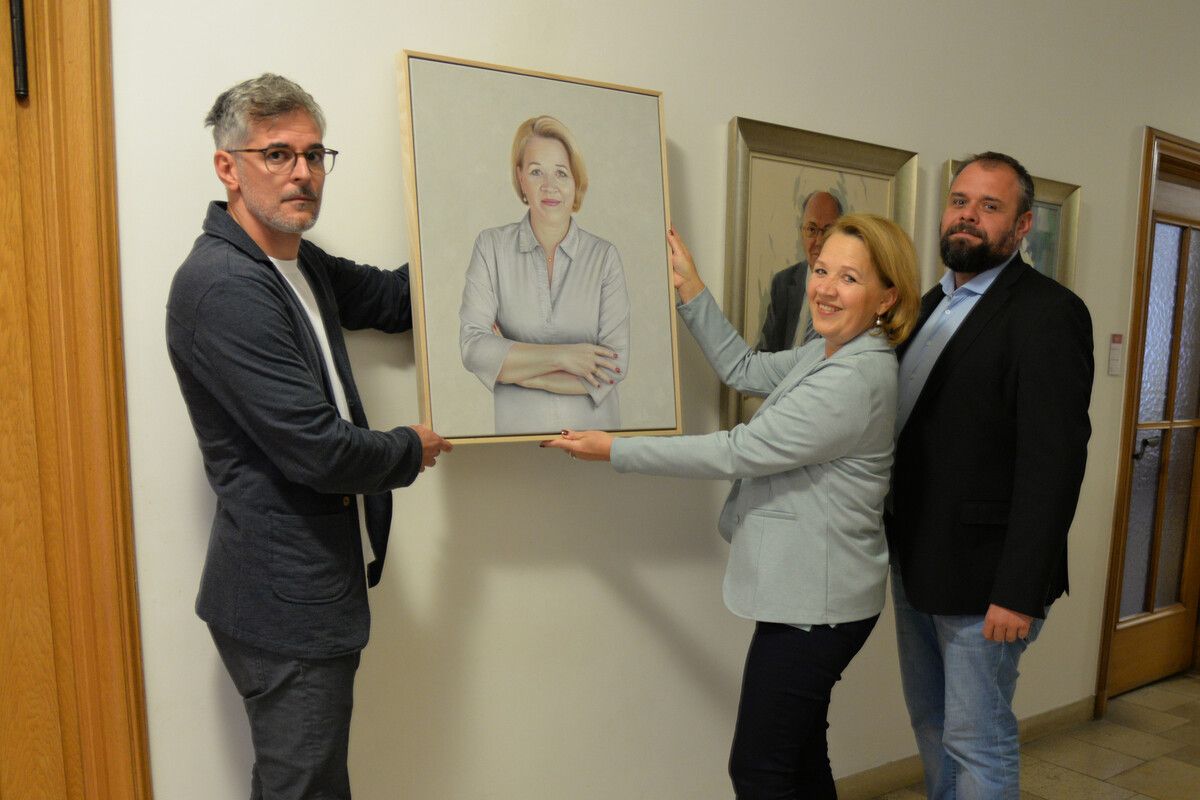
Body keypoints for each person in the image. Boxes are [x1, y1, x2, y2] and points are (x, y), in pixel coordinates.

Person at [545, 215, 920, 798]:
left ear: (887, 297)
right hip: (819, 595)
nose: (824, 287)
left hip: (816, 608)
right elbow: (744, 370)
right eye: (822, 269)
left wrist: (613, 448)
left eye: (849, 278)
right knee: (797, 755)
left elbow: (739, 450)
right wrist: (692, 289)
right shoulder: (828, 353)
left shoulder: (855, 378)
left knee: (759, 769)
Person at [166, 74, 452, 799]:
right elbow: (319, 450)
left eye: (315, 154)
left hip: (307, 590)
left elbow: (390, 300)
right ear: (227, 166)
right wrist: (410, 449)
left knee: (309, 785)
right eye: (278, 154)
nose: (302, 172)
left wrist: (481, 245)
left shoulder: (294, 260)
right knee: (305, 789)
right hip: (281, 602)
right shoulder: (224, 286)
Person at [886, 152, 1094, 799]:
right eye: (959, 201)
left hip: (989, 584)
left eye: (990, 206)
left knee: (979, 741)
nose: (967, 217)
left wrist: (1019, 589)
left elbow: (1054, 461)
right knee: (932, 724)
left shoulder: (1048, 314)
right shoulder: (926, 306)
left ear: (1024, 224)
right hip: (916, 561)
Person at [459, 115, 631, 435]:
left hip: (595, 450)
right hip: (516, 449)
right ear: (520, 178)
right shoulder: (491, 247)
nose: (549, 186)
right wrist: (566, 355)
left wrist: (516, 368)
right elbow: (473, 348)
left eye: (561, 173)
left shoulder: (605, 258)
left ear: (575, 181)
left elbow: (613, 366)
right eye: (537, 171)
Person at [756, 190, 843, 352]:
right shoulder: (783, 282)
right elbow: (765, 351)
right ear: (802, 232)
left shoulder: (848, 289)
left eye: (828, 230)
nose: (818, 241)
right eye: (811, 229)